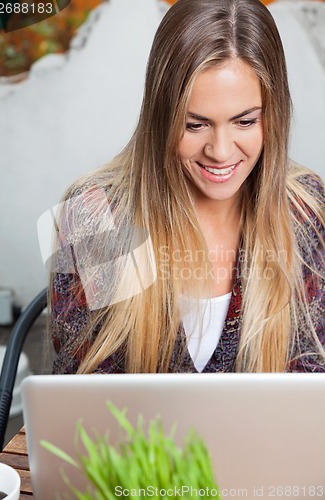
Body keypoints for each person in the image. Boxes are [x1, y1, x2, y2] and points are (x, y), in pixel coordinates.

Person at [50, 0, 325, 375]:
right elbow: (77, 400)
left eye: (244, 122)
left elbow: (312, 385)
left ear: (272, 116)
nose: (221, 151)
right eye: (194, 125)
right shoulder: (95, 215)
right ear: (161, 116)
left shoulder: (305, 209)